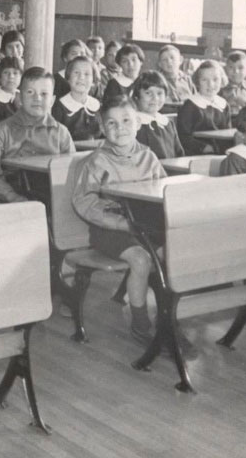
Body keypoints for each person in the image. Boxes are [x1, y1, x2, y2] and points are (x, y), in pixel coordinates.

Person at [71, 95, 169, 347]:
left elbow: (164, 190)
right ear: (102, 129)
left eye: (127, 121)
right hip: (110, 230)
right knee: (141, 259)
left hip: (144, 227)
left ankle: (168, 319)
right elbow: (84, 202)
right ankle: (140, 322)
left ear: (138, 123)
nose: (120, 128)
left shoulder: (149, 156)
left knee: (169, 252)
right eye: (111, 124)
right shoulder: (97, 161)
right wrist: (119, 223)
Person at [0, 67, 75, 203]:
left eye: (44, 94)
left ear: (52, 100)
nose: (37, 98)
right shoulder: (2, 131)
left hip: (53, 198)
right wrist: (13, 197)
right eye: (30, 92)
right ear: (20, 97)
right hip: (14, 198)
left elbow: (71, 171)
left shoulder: (61, 133)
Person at [176, 60, 230, 155]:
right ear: (197, 81)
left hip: (220, 153)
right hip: (197, 153)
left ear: (222, 80)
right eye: (204, 80)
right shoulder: (190, 105)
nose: (211, 84)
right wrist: (204, 147)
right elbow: (183, 136)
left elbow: (228, 134)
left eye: (215, 79)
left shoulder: (223, 105)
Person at [132, 70, 183, 160]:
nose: (155, 98)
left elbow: (179, 153)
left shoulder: (167, 123)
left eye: (159, 93)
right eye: (148, 93)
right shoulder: (134, 124)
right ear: (137, 96)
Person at [51, 54, 102, 142]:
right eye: (76, 73)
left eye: (87, 74)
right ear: (68, 77)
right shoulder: (59, 107)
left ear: (93, 81)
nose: (81, 77)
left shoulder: (98, 106)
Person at [220, 51, 246, 116]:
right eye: (231, 67)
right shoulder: (219, 87)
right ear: (225, 69)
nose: (236, 71)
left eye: (240, 68)